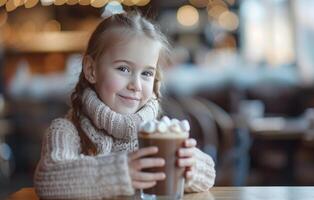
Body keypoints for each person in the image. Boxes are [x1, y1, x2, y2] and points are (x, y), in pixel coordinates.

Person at [34, 12, 215, 199]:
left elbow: (209, 174)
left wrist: (192, 167)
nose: (135, 85)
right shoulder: (67, 130)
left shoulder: (157, 134)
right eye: (123, 69)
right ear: (91, 70)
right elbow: (48, 178)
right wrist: (121, 173)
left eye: (146, 73)